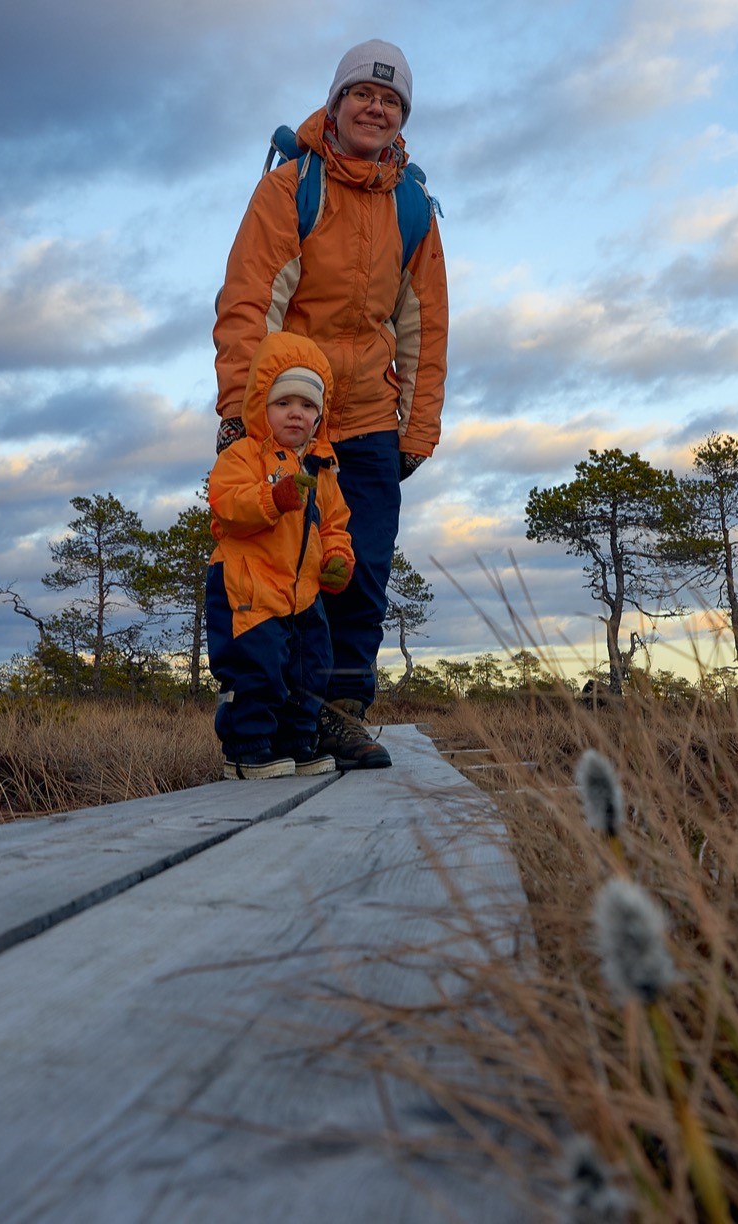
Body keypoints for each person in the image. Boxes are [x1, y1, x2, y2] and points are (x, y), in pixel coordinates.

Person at [213, 38, 447, 769]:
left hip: (372, 422)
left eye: (390, 100)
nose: (375, 108)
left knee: (360, 572)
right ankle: (272, 721)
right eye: (362, 95)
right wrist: (238, 412)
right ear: (337, 103)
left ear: (400, 116)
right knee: (279, 572)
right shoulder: (290, 187)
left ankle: (339, 716)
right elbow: (250, 302)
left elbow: (423, 327)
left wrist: (419, 429)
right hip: (291, 419)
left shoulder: (413, 207)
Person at [206, 331, 355, 780]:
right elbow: (225, 506)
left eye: (308, 406)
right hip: (249, 588)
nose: (297, 413)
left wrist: (338, 560)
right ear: (261, 405)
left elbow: (335, 525)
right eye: (284, 402)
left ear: (319, 416)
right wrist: (274, 498)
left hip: (304, 595)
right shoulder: (243, 455)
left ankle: (297, 744)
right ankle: (246, 750)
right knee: (258, 671)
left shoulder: (321, 469)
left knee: (309, 671)